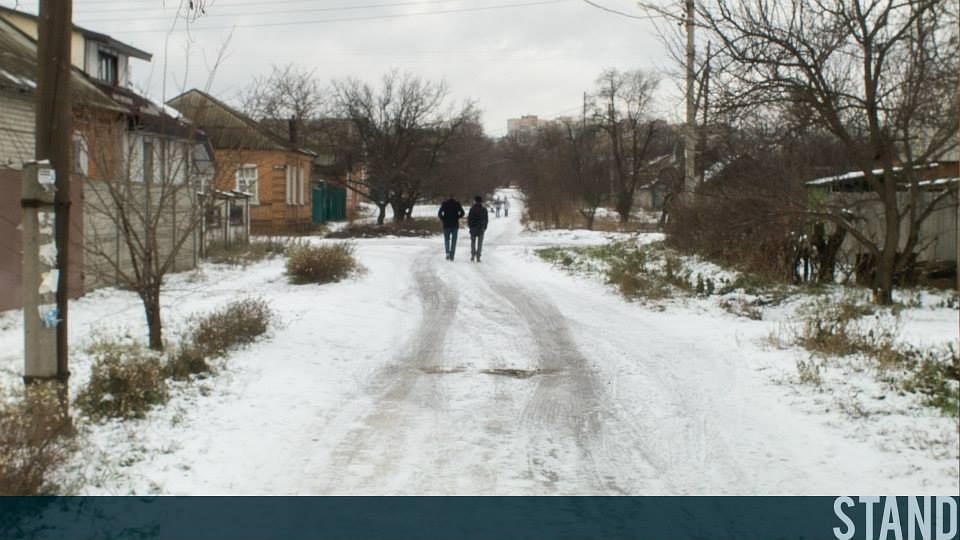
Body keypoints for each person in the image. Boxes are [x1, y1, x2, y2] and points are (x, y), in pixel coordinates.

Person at [437, 195, 465, 260]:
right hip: (455, 224)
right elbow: (463, 213)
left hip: (446, 225)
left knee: (446, 239)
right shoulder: (457, 204)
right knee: (454, 241)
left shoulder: (445, 204)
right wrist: (458, 217)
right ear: (454, 198)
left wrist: (443, 219)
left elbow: (439, 213)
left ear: (448, 197)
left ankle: (447, 253)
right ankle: (452, 255)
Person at [467, 195, 489, 262]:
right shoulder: (484, 209)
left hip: (473, 227)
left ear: (475, 201)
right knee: (480, 243)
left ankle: (473, 255)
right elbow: (486, 219)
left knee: (473, 242)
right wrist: (485, 227)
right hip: (481, 228)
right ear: (481, 201)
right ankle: (478, 257)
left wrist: (470, 226)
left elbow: (469, 218)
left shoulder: (472, 209)